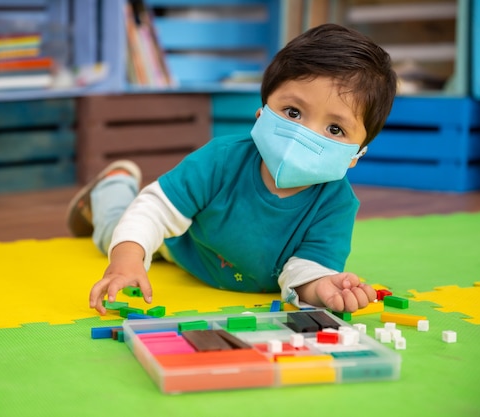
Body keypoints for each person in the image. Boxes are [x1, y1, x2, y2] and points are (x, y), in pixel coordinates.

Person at [67, 23, 397, 315]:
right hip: (183, 243)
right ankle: (115, 184)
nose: (305, 135)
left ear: (356, 154)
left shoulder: (336, 204)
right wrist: (125, 262)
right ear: (262, 111)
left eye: (335, 129)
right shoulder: (223, 159)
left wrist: (321, 287)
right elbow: (155, 209)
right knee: (118, 235)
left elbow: (305, 269)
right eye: (293, 112)